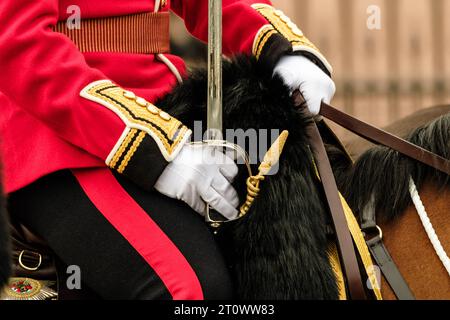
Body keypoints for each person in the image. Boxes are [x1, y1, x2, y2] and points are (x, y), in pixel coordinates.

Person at [0, 0, 335, 299]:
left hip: (164, 107)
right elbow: (18, 41)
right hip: (55, 134)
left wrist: (280, 47)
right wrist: (156, 151)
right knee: (189, 289)